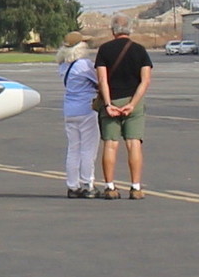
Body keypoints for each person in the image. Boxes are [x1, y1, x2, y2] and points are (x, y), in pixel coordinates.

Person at [95, 17, 153, 199]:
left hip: (112, 100)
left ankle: (110, 186)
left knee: (110, 145)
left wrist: (108, 104)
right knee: (134, 143)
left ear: (113, 30)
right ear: (130, 30)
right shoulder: (140, 50)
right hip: (132, 102)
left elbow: (102, 80)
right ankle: (135, 187)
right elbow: (145, 81)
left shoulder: (104, 50)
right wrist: (133, 103)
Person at [55, 31, 101, 197]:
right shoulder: (84, 64)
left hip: (70, 109)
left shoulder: (63, 65)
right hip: (86, 109)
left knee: (73, 149)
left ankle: (72, 186)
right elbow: (98, 81)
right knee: (88, 149)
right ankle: (87, 184)